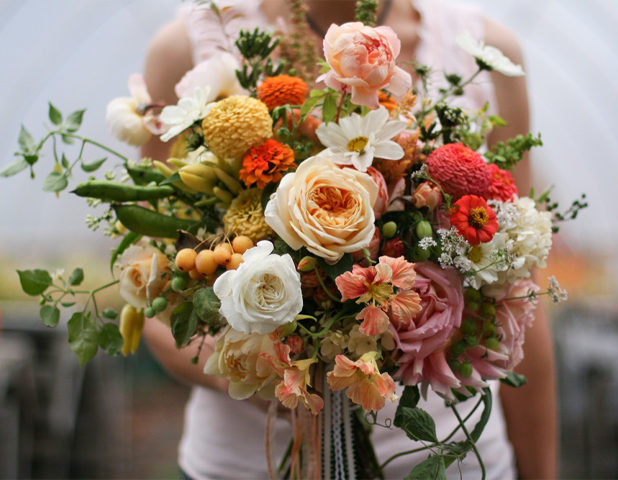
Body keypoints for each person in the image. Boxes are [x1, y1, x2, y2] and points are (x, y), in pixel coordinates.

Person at [141, 1, 557, 478]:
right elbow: (149, 294)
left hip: (453, 461)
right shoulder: (189, 47)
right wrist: (263, 377)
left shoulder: (489, 52)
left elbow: (523, 290)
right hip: (248, 463)